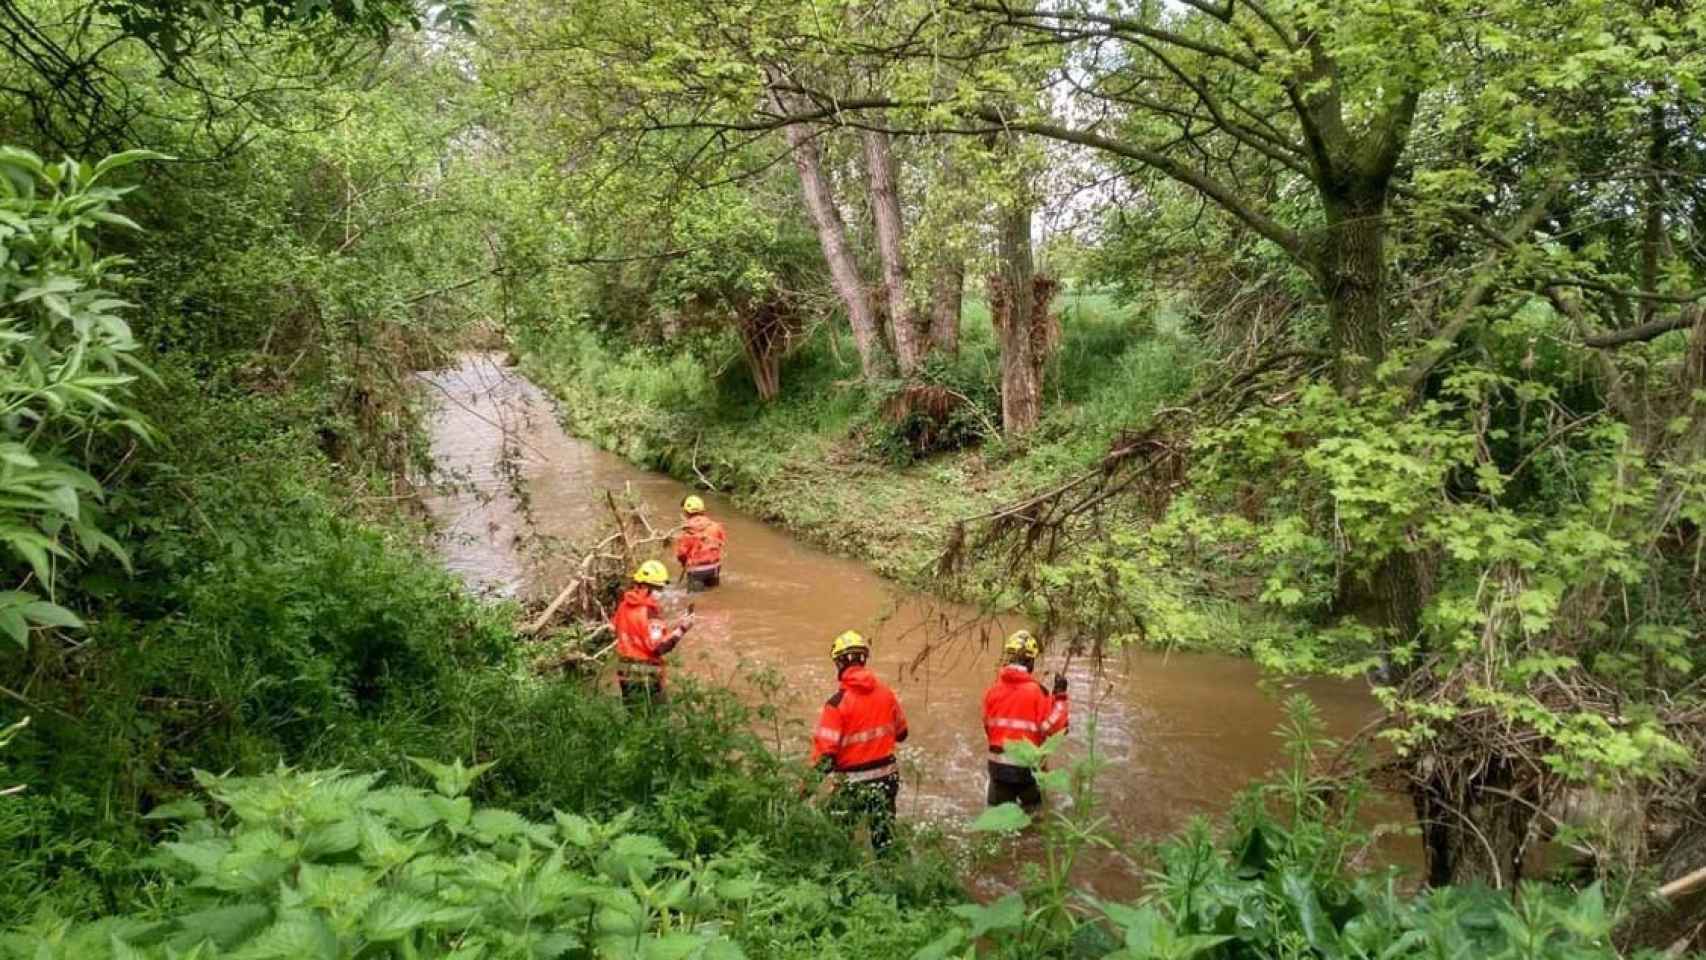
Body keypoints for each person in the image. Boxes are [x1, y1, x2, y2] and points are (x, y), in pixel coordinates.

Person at [809, 630, 909, 852]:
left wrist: (803, 789)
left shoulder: (836, 705)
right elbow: (902, 733)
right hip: (887, 779)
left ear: (839, 663)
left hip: (852, 785)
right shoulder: (887, 694)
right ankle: (891, 879)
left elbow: (825, 758)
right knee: (885, 842)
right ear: (863, 659)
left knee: (837, 842)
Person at [981, 629, 1069, 813]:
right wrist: (1060, 697)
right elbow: (1054, 729)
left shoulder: (992, 691)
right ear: (1030, 661)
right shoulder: (1038, 692)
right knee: (1035, 816)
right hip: (1026, 769)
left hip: (997, 768)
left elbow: (989, 729)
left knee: (998, 821)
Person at [612, 560, 693, 706]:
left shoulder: (624, 605)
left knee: (633, 714)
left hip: (624, 668)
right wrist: (682, 628)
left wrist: (673, 627)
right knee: (657, 715)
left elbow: (621, 629)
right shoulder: (649, 612)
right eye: (658, 588)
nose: (660, 593)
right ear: (645, 587)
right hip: (645, 672)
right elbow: (658, 647)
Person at [674, 495, 727, 591]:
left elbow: (681, 554)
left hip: (696, 570)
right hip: (715, 568)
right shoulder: (715, 526)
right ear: (703, 511)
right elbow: (721, 542)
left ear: (686, 512)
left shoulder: (686, 531)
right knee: (714, 593)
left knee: (695, 599)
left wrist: (684, 563)